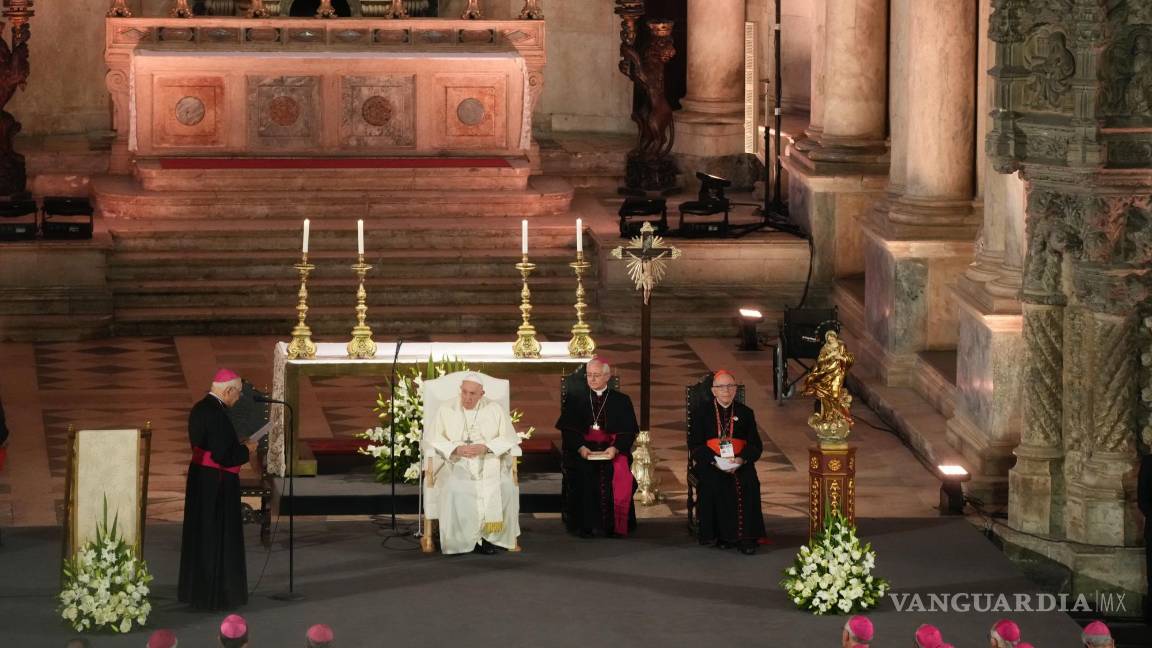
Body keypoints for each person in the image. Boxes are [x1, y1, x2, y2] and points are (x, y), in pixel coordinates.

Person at [177, 369, 253, 610]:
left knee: (200, 534)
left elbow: (209, 446)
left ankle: (195, 591)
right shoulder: (218, 414)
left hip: (200, 479)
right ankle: (218, 594)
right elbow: (223, 456)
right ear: (228, 390)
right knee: (217, 536)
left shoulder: (199, 408)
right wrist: (247, 450)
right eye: (237, 393)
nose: (238, 398)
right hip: (217, 484)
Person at [425, 373, 521, 555]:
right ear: (460, 390)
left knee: (506, 487)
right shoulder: (446, 409)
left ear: (481, 394)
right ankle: (461, 541)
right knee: (454, 489)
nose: (467, 398)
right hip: (456, 463)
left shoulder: (494, 409)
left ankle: (491, 538)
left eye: (472, 394)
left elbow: (508, 438)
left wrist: (486, 447)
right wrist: (455, 449)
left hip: (489, 462)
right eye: (464, 392)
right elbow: (433, 439)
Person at [555, 357, 639, 538]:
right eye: (589, 375)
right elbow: (568, 431)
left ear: (607, 376)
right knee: (584, 473)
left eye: (596, 375)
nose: (592, 379)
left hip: (612, 450)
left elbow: (628, 432)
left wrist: (615, 448)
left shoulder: (621, 400)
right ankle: (585, 526)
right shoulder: (575, 399)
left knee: (617, 473)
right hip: (584, 451)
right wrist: (581, 448)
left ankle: (614, 526)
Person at [688, 370, 766, 554]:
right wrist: (716, 461)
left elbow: (755, 445)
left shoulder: (745, 413)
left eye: (730, 386)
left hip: (739, 461)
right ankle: (721, 536)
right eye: (721, 387)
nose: (726, 390)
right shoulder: (701, 413)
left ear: (735, 389)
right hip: (711, 462)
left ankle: (746, 537)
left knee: (749, 482)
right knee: (715, 483)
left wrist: (740, 459)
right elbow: (695, 445)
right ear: (713, 390)